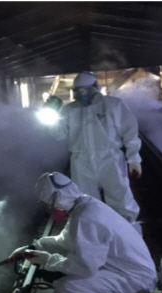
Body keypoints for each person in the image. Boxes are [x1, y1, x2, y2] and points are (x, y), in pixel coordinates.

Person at [9, 172, 157, 293]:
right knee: (69, 270)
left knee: (68, 288)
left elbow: (85, 268)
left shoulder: (85, 218)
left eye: (50, 204)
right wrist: (35, 247)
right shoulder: (85, 205)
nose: (51, 209)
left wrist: (49, 261)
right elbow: (65, 240)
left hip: (136, 283)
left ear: (58, 198)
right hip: (129, 271)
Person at [45, 71, 143, 233]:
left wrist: (134, 160)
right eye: (78, 91)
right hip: (81, 160)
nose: (82, 95)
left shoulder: (114, 105)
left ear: (96, 88)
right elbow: (58, 135)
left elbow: (130, 133)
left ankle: (130, 238)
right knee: (85, 202)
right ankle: (92, 237)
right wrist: (52, 117)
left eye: (86, 90)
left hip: (110, 158)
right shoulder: (70, 110)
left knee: (121, 200)